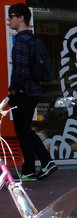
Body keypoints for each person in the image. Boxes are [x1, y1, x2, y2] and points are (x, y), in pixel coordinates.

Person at [7, 3, 56, 181]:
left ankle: (29, 170)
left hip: (23, 93)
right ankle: (46, 162)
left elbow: (20, 71)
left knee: (22, 131)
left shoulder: (21, 41)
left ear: (21, 18)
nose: (9, 19)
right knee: (25, 130)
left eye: (12, 16)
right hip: (33, 92)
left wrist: (13, 90)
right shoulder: (33, 39)